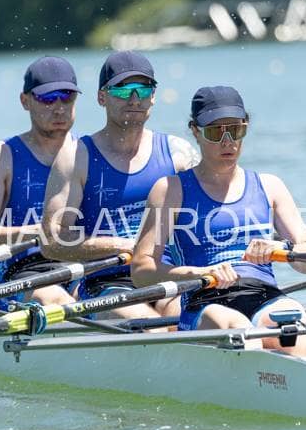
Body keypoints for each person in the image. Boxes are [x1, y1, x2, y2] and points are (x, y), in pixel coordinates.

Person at [130, 86, 306, 354]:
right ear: (195, 131)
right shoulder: (170, 190)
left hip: (263, 295)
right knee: (240, 331)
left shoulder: (270, 186)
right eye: (215, 132)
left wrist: (283, 249)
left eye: (236, 130)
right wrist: (201, 273)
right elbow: (141, 271)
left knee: (296, 328)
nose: (227, 141)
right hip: (205, 300)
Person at [42, 51, 199, 318]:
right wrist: (121, 246)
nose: (135, 99)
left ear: (153, 96)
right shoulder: (75, 157)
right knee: (151, 325)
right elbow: (51, 242)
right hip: (106, 283)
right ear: (102, 97)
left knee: (181, 317)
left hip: (166, 275)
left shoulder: (179, 154)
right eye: (123, 90)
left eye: (143, 90)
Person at [0, 56, 82, 306]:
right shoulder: (0, 156)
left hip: (85, 265)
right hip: (26, 271)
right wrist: (44, 233)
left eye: (67, 96)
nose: (59, 107)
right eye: (48, 98)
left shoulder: (90, 152)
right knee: (59, 301)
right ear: (25, 101)